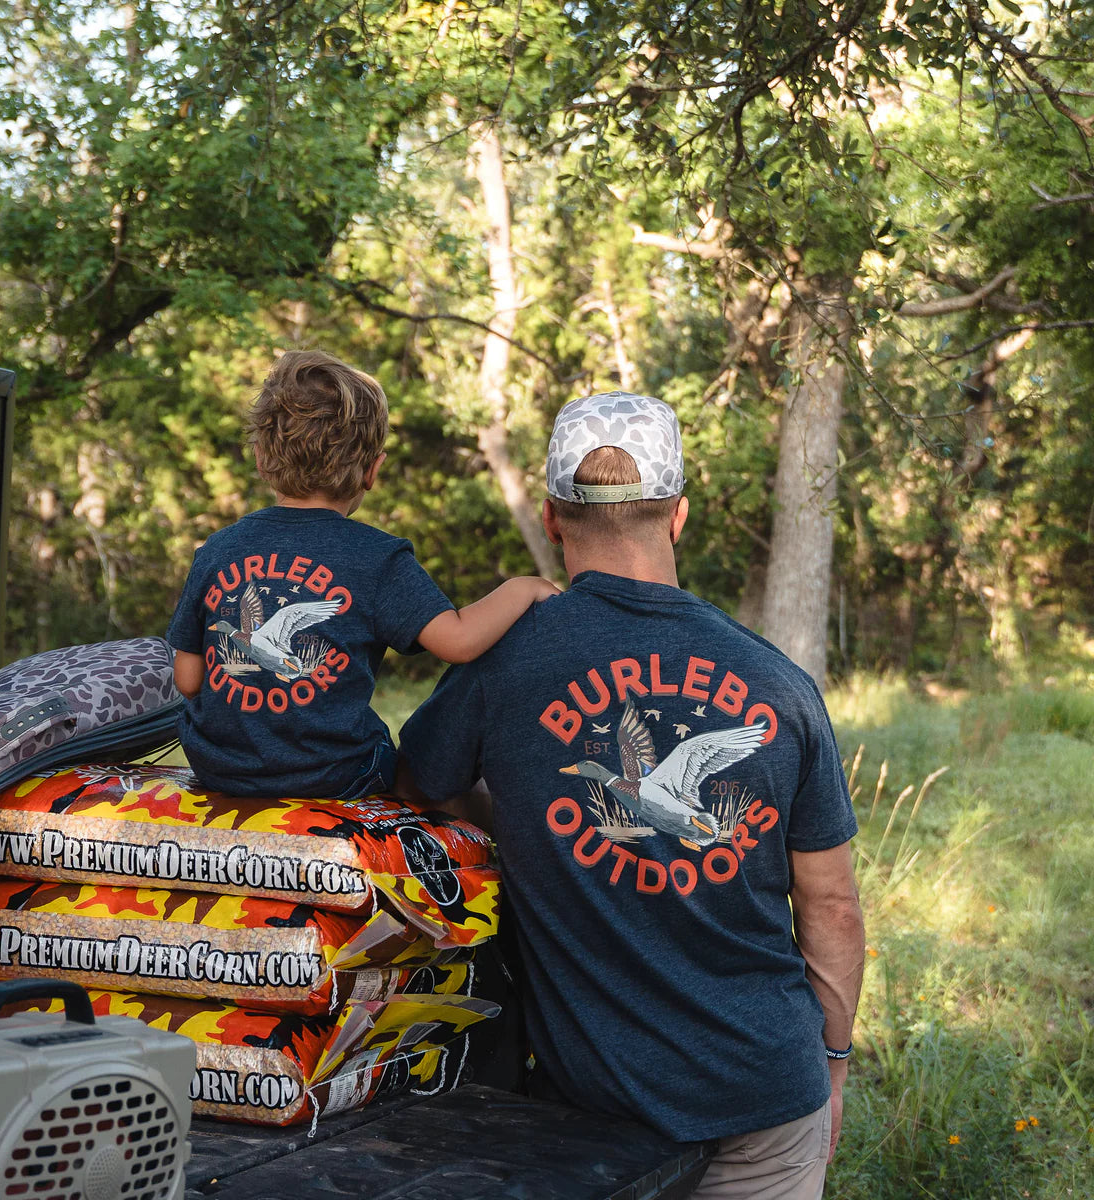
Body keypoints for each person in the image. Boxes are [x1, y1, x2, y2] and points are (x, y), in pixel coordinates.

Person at [397, 390, 866, 1199]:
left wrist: (522, 811)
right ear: (679, 516)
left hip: (590, 1118)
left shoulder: (502, 665)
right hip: (765, 1096)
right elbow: (833, 909)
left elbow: (417, 789)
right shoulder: (780, 684)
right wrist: (834, 1063)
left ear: (550, 518)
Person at [167, 349, 558, 800]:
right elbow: (460, 642)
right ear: (373, 470)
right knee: (419, 765)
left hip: (220, 771)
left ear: (259, 458)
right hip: (333, 775)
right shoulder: (378, 557)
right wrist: (523, 586)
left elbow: (188, 680)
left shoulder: (217, 549)